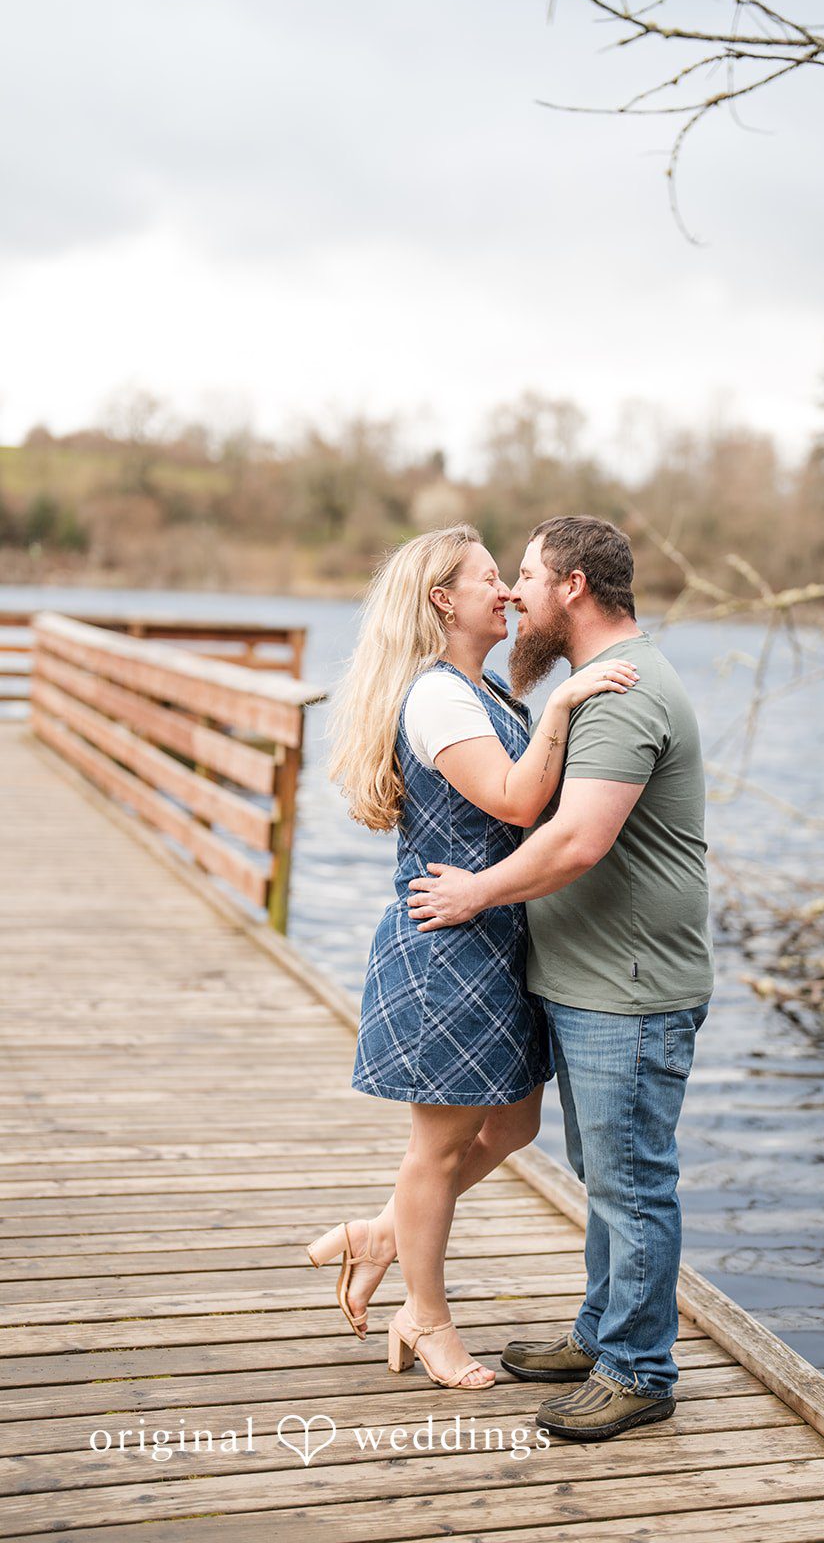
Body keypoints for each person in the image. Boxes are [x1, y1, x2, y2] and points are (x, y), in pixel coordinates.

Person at [306, 524, 639, 1393]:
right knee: (440, 1144)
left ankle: (383, 1232)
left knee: (514, 1123)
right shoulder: (439, 699)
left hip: (491, 939)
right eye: (490, 579)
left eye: (508, 578)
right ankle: (425, 1316)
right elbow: (518, 799)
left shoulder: (477, 690)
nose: (505, 592)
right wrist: (566, 704)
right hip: (446, 947)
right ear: (443, 601)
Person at [407, 514, 715, 1439]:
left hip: (630, 984)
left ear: (573, 588)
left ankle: (638, 1369)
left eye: (529, 578)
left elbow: (577, 841)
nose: (514, 595)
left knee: (630, 1179)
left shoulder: (621, 693)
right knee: (603, 1170)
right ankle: (600, 1331)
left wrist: (476, 896)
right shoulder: (589, 685)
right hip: (593, 981)